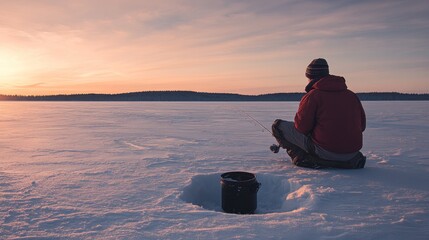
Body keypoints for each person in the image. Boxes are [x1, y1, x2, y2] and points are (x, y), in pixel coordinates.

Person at [272, 58, 366, 169]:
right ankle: (343, 161)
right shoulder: (351, 95)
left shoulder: (313, 96)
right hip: (352, 153)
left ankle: (305, 158)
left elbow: (302, 128)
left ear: (311, 77)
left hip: (325, 151)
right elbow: (362, 126)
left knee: (277, 126)